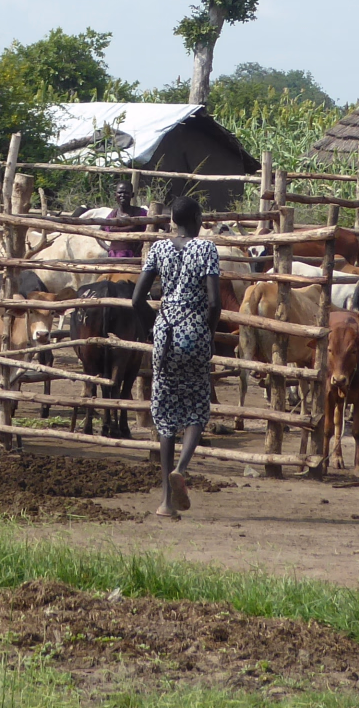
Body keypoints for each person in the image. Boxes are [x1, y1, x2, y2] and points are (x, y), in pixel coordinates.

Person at [130, 195, 220, 520]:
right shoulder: (206, 248)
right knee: (196, 406)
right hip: (194, 332)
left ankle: (166, 503)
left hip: (164, 333)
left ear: (171, 220)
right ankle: (182, 468)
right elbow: (214, 303)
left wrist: (152, 329)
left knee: (166, 415)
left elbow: (136, 299)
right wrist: (206, 334)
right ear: (196, 218)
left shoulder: (158, 248)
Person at [101, 180, 148, 260]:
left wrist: (143, 246)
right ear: (115, 195)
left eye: (126, 193)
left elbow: (162, 226)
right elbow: (100, 231)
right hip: (113, 258)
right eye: (120, 192)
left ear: (132, 195)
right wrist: (107, 248)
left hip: (133, 259)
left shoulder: (140, 213)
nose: (122, 195)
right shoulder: (113, 215)